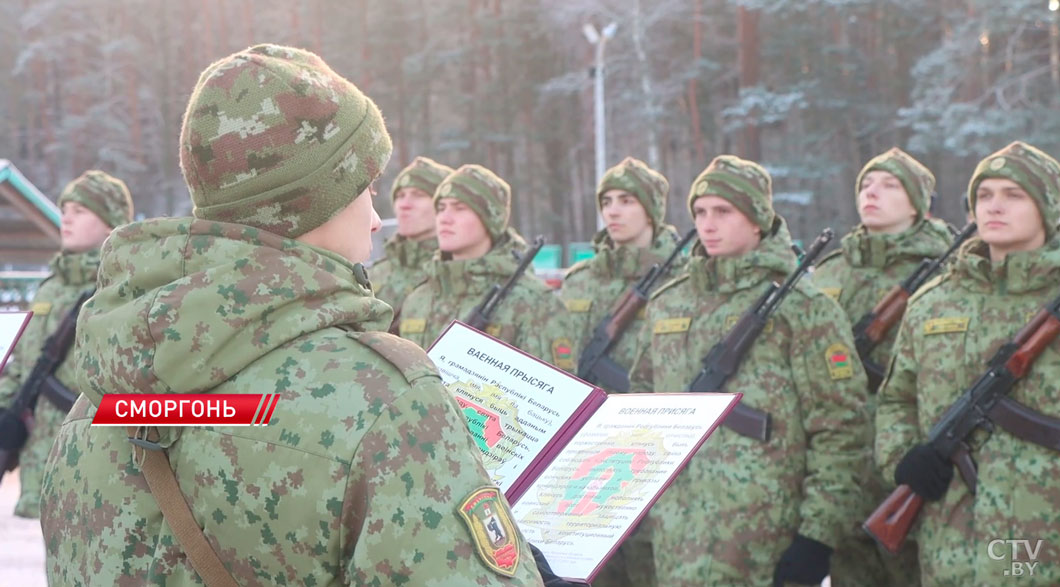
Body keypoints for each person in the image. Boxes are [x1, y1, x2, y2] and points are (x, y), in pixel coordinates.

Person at [38, 44, 545, 586]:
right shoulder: (386, 402)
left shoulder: (98, 401)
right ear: (314, 200)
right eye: (367, 189)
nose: (376, 219)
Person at [628, 154, 870, 586]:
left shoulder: (805, 308)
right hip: (677, 538)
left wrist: (817, 536)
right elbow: (641, 408)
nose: (708, 224)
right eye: (700, 212)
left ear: (757, 219)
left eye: (723, 211)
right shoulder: (668, 302)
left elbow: (842, 428)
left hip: (765, 542)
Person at [876, 141, 1060, 585]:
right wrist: (904, 460)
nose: (994, 206)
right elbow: (895, 399)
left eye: (1013, 195)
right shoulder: (932, 302)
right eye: (984, 195)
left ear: (1048, 207)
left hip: (1046, 534)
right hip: (950, 540)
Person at [813, 147, 953, 585]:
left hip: (914, 468)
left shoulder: (949, 272)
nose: (872, 192)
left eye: (890, 185)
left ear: (918, 203)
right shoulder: (829, 272)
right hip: (842, 470)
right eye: (866, 184)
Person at [558, 156, 684, 587]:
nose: (612, 210)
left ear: (651, 209)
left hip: (658, 456)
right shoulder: (579, 281)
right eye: (607, 200)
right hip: (586, 463)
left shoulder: (684, 277)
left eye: (626, 200)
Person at [0, 169, 133, 519]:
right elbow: (23, 364)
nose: (67, 218)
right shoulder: (49, 289)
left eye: (81, 210)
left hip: (97, 466)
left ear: (110, 222)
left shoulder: (125, 285)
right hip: (39, 462)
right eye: (65, 209)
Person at [399, 164, 574, 370]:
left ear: (490, 219)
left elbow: (553, 394)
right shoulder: (418, 300)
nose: (445, 218)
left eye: (460, 208)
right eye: (441, 208)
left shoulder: (535, 303)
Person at [371, 156, 453, 313]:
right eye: (400, 196)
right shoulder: (374, 274)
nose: (405, 205)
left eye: (418, 195)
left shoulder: (458, 271)